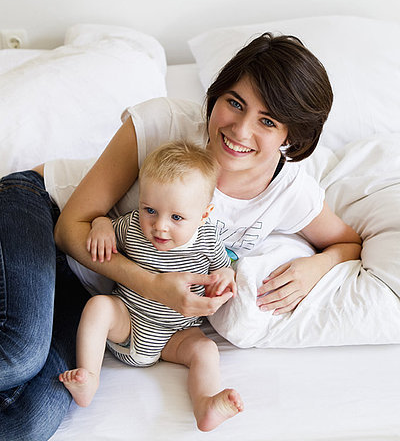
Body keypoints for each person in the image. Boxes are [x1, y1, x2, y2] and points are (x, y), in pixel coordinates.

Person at [0, 33, 361, 441]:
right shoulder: (162, 125)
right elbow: (71, 229)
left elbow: (347, 242)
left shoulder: (290, 192)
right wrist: (155, 286)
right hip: (41, 210)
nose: (240, 130)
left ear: (292, 136)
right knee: (19, 356)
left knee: (27, 422)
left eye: (267, 121)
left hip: (93, 294)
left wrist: (317, 266)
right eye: (234, 103)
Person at [59, 141, 243, 432]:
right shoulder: (132, 227)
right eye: (150, 210)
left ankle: (205, 404)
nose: (160, 227)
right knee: (99, 306)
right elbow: (104, 222)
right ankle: (90, 377)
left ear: (204, 215)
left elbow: (223, 268)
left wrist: (224, 279)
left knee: (206, 350)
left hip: (178, 335)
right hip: (129, 324)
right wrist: (100, 225)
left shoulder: (208, 239)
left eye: (177, 217)